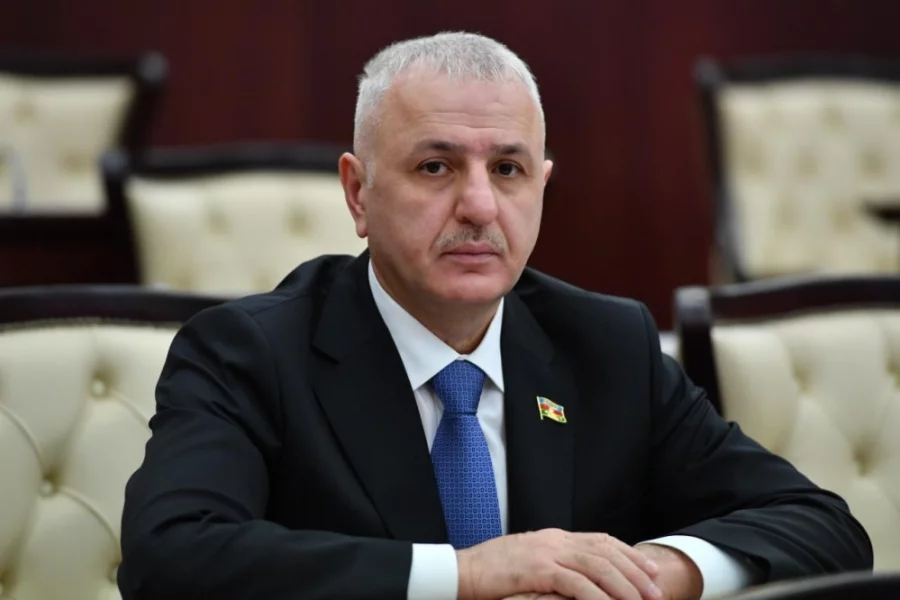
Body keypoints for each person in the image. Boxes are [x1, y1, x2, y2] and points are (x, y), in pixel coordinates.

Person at [118, 32, 872, 600]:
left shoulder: (607, 346)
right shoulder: (250, 351)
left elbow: (820, 525)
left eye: (508, 169)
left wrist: (649, 574)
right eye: (435, 167)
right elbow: (169, 557)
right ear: (357, 193)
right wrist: (469, 575)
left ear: (541, 186)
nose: (479, 205)